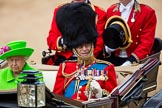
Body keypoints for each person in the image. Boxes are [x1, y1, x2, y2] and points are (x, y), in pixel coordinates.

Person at [53, 2, 117, 101]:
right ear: (73, 47)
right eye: (79, 46)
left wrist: (100, 94)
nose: (84, 49)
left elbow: (113, 101)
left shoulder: (107, 68)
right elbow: (56, 99)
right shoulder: (65, 68)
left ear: (92, 44)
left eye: (87, 44)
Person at [46, 0, 106, 65]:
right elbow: (52, 39)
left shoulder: (99, 13)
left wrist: (85, 56)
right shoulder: (59, 10)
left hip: (90, 59)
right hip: (64, 59)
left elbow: (99, 42)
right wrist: (67, 41)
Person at [102, 0, 157, 66]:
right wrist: (108, 48)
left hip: (135, 60)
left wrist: (130, 61)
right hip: (113, 58)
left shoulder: (147, 12)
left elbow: (146, 42)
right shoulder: (110, 11)